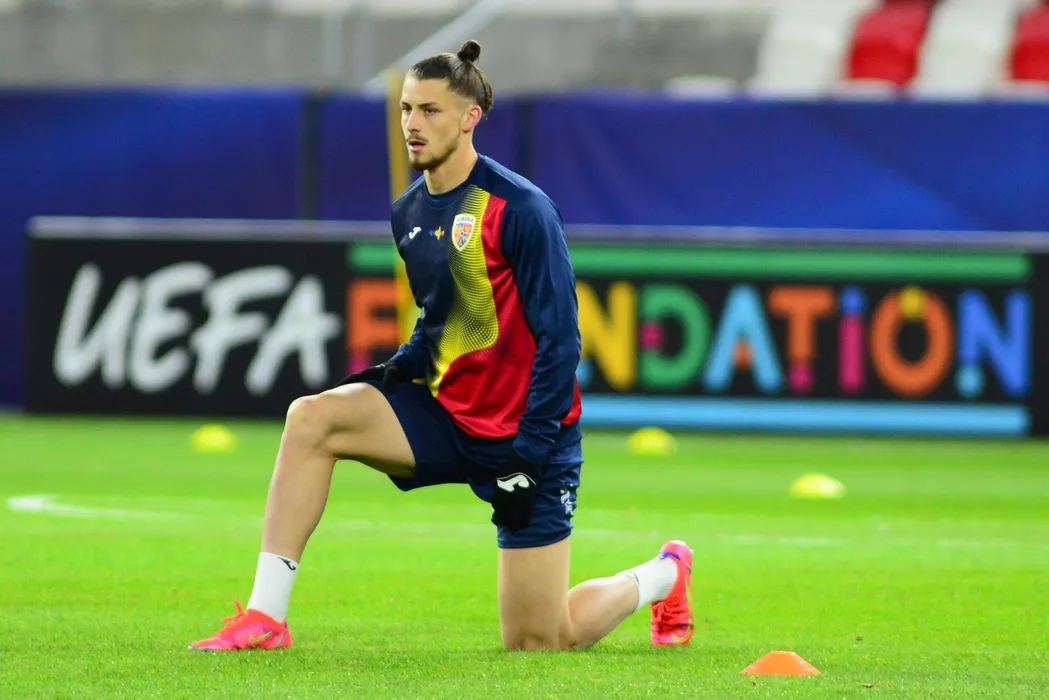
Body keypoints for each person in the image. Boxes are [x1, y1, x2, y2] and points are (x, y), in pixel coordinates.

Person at [189, 39, 694, 653]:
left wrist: (531, 454)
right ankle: (266, 617)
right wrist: (399, 367)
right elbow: (441, 319)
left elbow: (561, 342)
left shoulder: (521, 209)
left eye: (430, 111)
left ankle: (664, 575)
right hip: (447, 416)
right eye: (406, 109)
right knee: (312, 418)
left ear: (469, 118)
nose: (413, 124)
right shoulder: (408, 211)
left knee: (538, 641)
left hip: (526, 435)